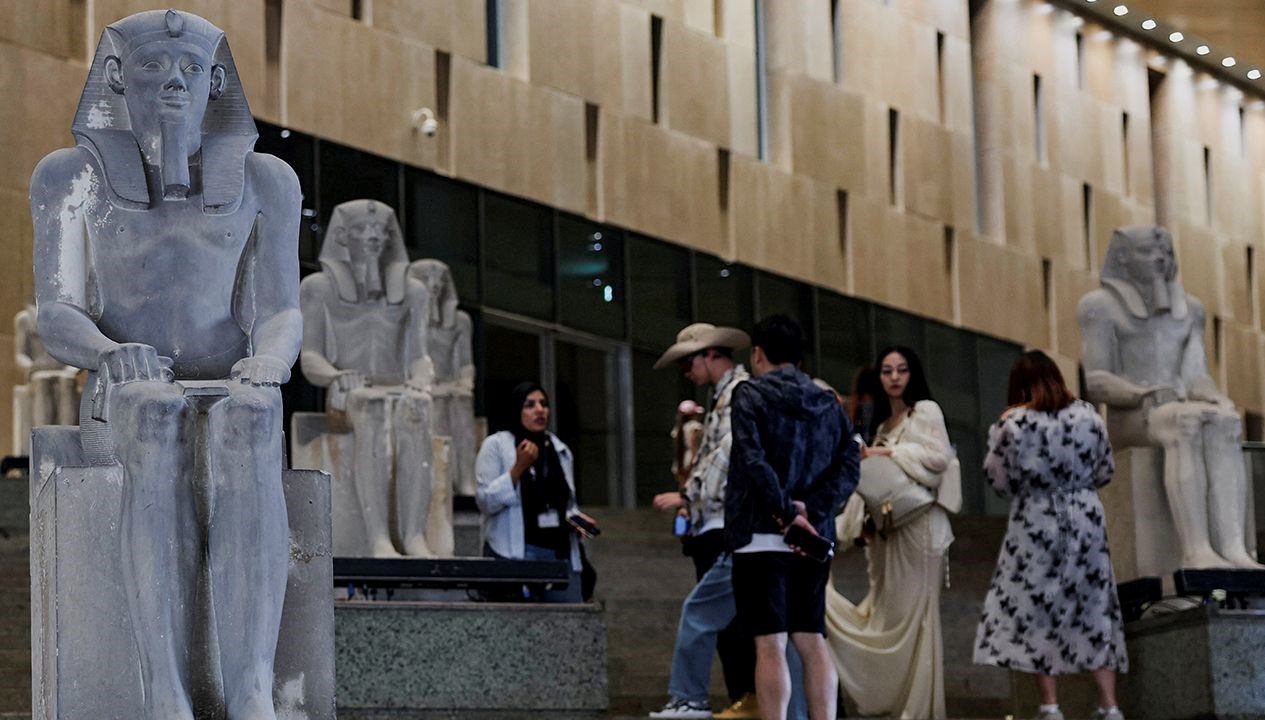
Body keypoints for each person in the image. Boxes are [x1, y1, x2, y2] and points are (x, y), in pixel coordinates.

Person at [31, 10, 301, 718]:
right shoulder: (70, 178)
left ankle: (250, 687)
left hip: (229, 378)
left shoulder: (265, 180)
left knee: (252, 417)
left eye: (188, 70)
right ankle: (166, 690)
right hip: (127, 382)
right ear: (118, 78)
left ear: (216, 82)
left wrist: (269, 361)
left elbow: (279, 308)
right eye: (152, 67)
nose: (172, 82)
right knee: (155, 412)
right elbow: (57, 310)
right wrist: (110, 352)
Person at [1078, 225, 1259, 569]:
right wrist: (1141, 392)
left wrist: (1215, 397)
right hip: (1132, 414)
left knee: (1226, 422)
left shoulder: (1191, 309)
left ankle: (1234, 546)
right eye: (1147, 251)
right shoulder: (1099, 306)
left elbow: (1195, 375)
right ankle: (1196, 549)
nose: (1160, 258)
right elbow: (1097, 381)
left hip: (1173, 404)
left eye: (1165, 252)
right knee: (1186, 421)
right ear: (1122, 257)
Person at [974, 350, 1127, 720]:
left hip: (1036, 519)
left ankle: (1050, 707)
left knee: (1037, 607)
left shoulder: (1011, 424)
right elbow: (1106, 469)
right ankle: (1109, 706)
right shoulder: (1088, 416)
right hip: (1085, 516)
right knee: (1094, 606)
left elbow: (997, 479)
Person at [728, 315, 858, 720]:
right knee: (812, 637)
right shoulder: (828, 402)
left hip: (761, 533)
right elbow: (850, 464)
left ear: (758, 353)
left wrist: (785, 511)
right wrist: (813, 510)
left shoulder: (749, 394)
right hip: (813, 538)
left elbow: (753, 460)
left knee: (770, 643)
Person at [825, 346, 959, 720]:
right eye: (887, 371)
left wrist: (889, 455)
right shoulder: (883, 426)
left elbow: (938, 459)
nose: (895, 377)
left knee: (915, 621)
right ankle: (896, 705)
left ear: (912, 374)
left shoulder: (925, 411)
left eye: (901, 370)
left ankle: (917, 711)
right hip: (887, 533)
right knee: (889, 618)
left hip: (920, 527)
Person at [299, 199, 437, 558]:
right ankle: (378, 537)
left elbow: (420, 355)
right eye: (363, 229)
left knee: (418, 408)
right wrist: (336, 376)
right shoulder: (319, 287)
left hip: (396, 386)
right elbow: (310, 356)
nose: (373, 237)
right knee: (372, 405)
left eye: (380, 231)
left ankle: (414, 535)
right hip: (349, 392)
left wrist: (422, 380)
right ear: (344, 236)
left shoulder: (413, 292)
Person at [649, 323, 761, 719]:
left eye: (688, 362)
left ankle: (697, 700)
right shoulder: (727, 396)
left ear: (711, 354)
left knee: (712, 616)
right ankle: (753, 700)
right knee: (758, 627)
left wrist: (691, 493)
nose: (686, 373)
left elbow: (729, 454)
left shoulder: (740, 394)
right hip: (737, 525)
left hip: (737, 526)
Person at [475, 381, 594, 602]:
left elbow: (566, 502)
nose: (540, 410)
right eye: (530, 405)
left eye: (544, 404)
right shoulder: (496, 446)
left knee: (568, 624)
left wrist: (576, 520)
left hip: (560, 553)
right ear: (516, 410)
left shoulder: (559, 449)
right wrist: (518, 468)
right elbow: (485, 502)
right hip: (515, 553)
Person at [671, 399, 705, 490]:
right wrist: (693, 460)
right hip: (691, 457)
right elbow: (694, 444)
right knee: (691, 487)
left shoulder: (677, 429)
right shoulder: (695, 426)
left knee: (682, 486)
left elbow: (676, 447)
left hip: (680, 459)